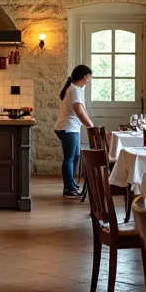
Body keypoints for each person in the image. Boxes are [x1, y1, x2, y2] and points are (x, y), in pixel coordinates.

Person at [55, 65, 94, 198]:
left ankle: (70, 184)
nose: (90, 80)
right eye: (90, 77)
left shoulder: (75, 88)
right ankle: (68, 189)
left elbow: (82, 111)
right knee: (69, 158)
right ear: (85, 77)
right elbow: (80, 113)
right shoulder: (75, 90)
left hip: (70, 128)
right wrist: (91, 127)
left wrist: (89, 124)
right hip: (68, 128)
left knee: (74, 157)